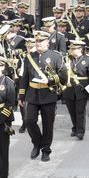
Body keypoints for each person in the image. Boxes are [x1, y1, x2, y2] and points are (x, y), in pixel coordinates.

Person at [18, 30, 68, 162]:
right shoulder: (29, 57)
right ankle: (37, 143)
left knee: (47, 124)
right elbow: (24, 78)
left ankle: (46, 149)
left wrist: (50, 81)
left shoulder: (56, 56)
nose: (38, 43)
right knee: (29, 121)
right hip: (32, 94)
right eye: (37, 41)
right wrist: (21, 96)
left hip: (48, 94)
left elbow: (64, 77)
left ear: (47, 42)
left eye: (41, 41)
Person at [63, 40, 89, 140]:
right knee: (71, 110)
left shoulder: (88, 59)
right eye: (71, 48)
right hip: (69, 88)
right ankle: (75, 127)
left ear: (80, 49)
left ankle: (80, 131)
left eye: (73, 49)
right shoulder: (67, 59)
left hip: (82, 88)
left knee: (80, 111)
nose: (71, 50)